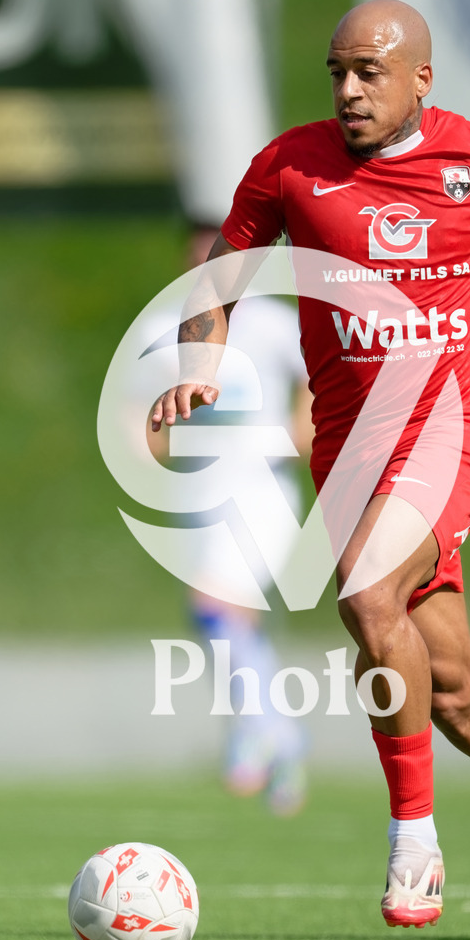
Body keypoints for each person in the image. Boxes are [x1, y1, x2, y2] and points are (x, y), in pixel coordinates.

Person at [150, 0, 470, 928]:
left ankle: (414, 842)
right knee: (449, 692)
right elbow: (221, 272)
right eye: (337, 71)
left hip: (455, 430)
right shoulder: (290, 168)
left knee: (368, 597)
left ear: (421, 78)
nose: (347, 89)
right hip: (350, 453)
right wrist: (200, 363)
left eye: (369, 72)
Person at [143, 225, 313, 815]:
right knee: (222, 614)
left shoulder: (270, 321)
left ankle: (255, 732)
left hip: (264, 485)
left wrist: (304, 427)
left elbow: (317, 378)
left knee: (216, 605)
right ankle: (282, 738)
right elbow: (139, 404)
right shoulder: (164, 324)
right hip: (201, 491)